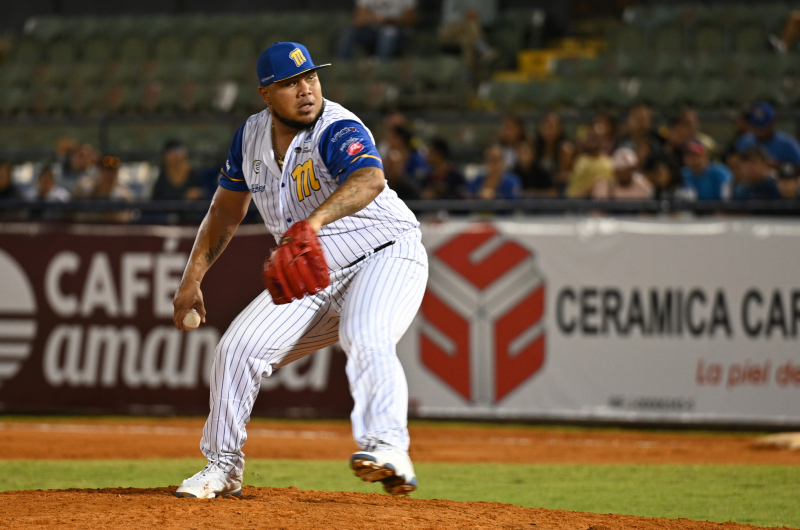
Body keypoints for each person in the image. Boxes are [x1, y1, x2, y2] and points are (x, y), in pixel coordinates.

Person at [172, 42, 427, 499]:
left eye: (310, 76)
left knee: (365, 335)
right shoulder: (249, 138)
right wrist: (193, 277)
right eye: (291, 83)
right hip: (314, 272)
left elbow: (369, 179)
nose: (306, 89)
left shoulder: (336, 125)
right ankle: (223, 466)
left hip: (385, 255)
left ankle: (389, 448)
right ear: (266, 93)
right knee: (236, 349)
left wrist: (310, 223)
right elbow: (226, 211)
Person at [438, 0, 498, 81]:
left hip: (470, 33)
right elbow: (447, 16)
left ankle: (467, 77)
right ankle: (482, 47)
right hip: (450, 31)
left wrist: (476, 16)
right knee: (471, 23)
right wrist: (465, 15)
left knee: (467, 41)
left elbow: (490, 18)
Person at [338, 0, 417, 60]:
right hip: (373, 31)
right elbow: (357, 19)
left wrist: (389, 20)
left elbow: (410, 19)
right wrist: (374, 18)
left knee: (388, 32)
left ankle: (380, 72)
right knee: (350, 32)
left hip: (397, 32)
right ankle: (342, 69)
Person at [735, 102, 800, 167]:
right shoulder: (744, 141)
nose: (759, 130)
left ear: (772, 123)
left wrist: (776, 165)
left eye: (763, 126)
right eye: (756, 126)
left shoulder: (788, 144)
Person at [566, 124, 613, 198]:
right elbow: (572, 193)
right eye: (590, 136)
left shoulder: (609, 163)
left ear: (603, 140)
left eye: (596, 137)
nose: (592, 139)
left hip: (601, 205)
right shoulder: (580, 160)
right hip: (577, 205)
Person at [533, 111, 574, 190]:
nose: (548, 130)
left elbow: (563, 177)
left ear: (560, 129)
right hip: (538, 191)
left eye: (551, 127)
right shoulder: (535, 147)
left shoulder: (565, 149)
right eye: (545, 126)